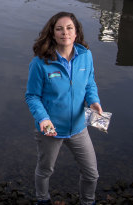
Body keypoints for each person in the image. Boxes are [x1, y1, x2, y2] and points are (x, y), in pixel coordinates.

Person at [25, 12, 103, 205]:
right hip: (50, 129)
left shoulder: (86, 56)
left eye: (69, 28)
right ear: (52, 33)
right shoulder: (40, 63)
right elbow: (32, 96)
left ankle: (88, 201)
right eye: (59, 28)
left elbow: (89, 83)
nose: (64, 32)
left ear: (76, 33)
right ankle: (43, 200)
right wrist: (43, 119)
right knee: (45, 170)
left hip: (78, 126)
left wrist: (93, 101)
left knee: (91, 173)